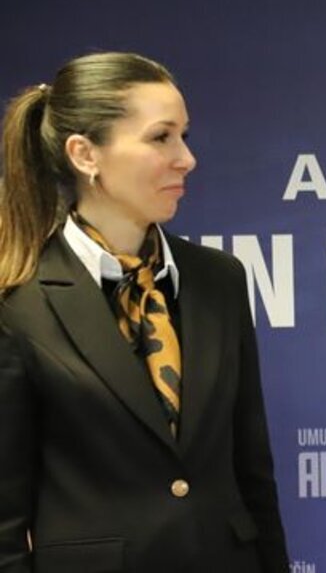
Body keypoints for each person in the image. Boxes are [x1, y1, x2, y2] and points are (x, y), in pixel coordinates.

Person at [0, 52, 289, 572]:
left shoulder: (220, 279)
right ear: (85, 154)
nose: (186, 158)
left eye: (184, 136)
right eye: (161, 137)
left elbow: (253, 475)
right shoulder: (19, 301)